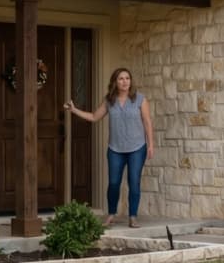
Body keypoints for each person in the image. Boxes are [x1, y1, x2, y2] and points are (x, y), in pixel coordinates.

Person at [64, 67, 155, 227]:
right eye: (121, 78)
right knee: (113, 183)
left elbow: (147, 122)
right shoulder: (109, 101)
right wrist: (74, 110)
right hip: (115, 149)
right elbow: (93, 117)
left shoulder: (140, 99)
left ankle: (132, 217)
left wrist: (150, 145)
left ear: (130, 81)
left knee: (134, 182)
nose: (125, 81)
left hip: (137, 148)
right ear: (115, 82)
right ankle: (111, 214)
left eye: (127, 78)